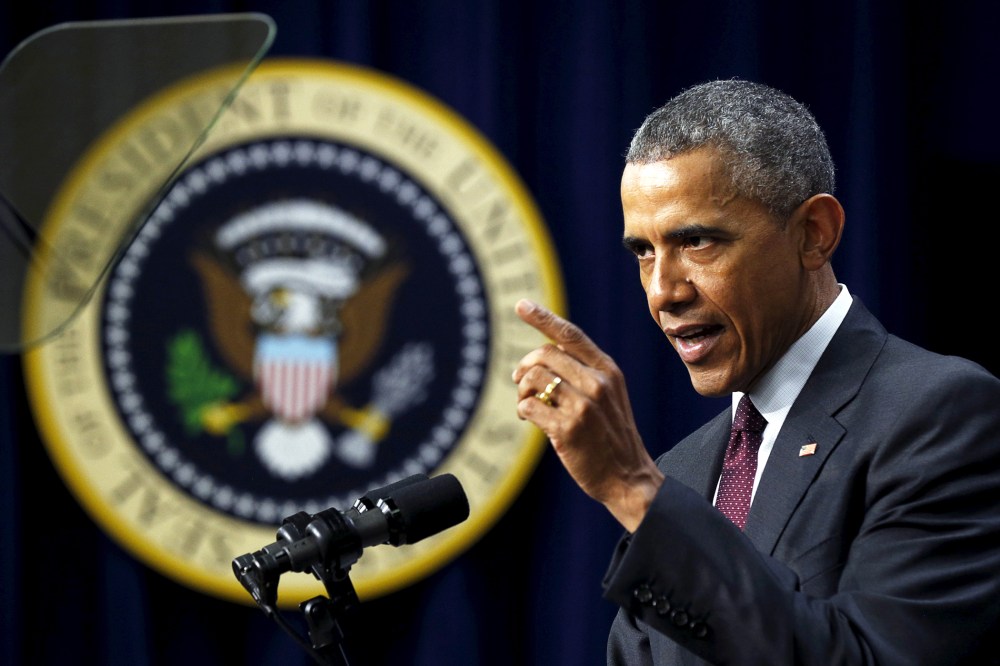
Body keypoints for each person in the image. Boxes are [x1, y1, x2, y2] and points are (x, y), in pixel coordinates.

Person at [512, 79, 1000, 665]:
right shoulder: (682, 472)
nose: (663, 291)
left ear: (814, 234)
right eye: (643, 251)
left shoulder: (942, 414)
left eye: (697, 241)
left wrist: (631, 488)